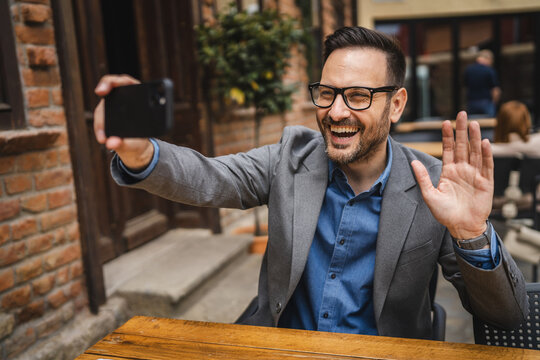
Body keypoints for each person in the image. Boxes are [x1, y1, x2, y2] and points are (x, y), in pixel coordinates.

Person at [93, 26, 527, 340]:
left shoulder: (435, 187)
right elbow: (209, 177)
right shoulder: (290, 156)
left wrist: (472, 233)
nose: (336, 111)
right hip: (278, 348)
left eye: (358, 96)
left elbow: (507, 316)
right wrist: (142, 152)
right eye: (327, 92)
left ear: (396, 104)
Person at [464, 49, 501, 117]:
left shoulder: (468, 70)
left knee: (472, 124)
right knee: (489, 125)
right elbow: (495, 90)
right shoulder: (489, 70)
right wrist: (494, 103)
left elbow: (465, 86)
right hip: (486, 102)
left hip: (471, 102)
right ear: (488, 59)